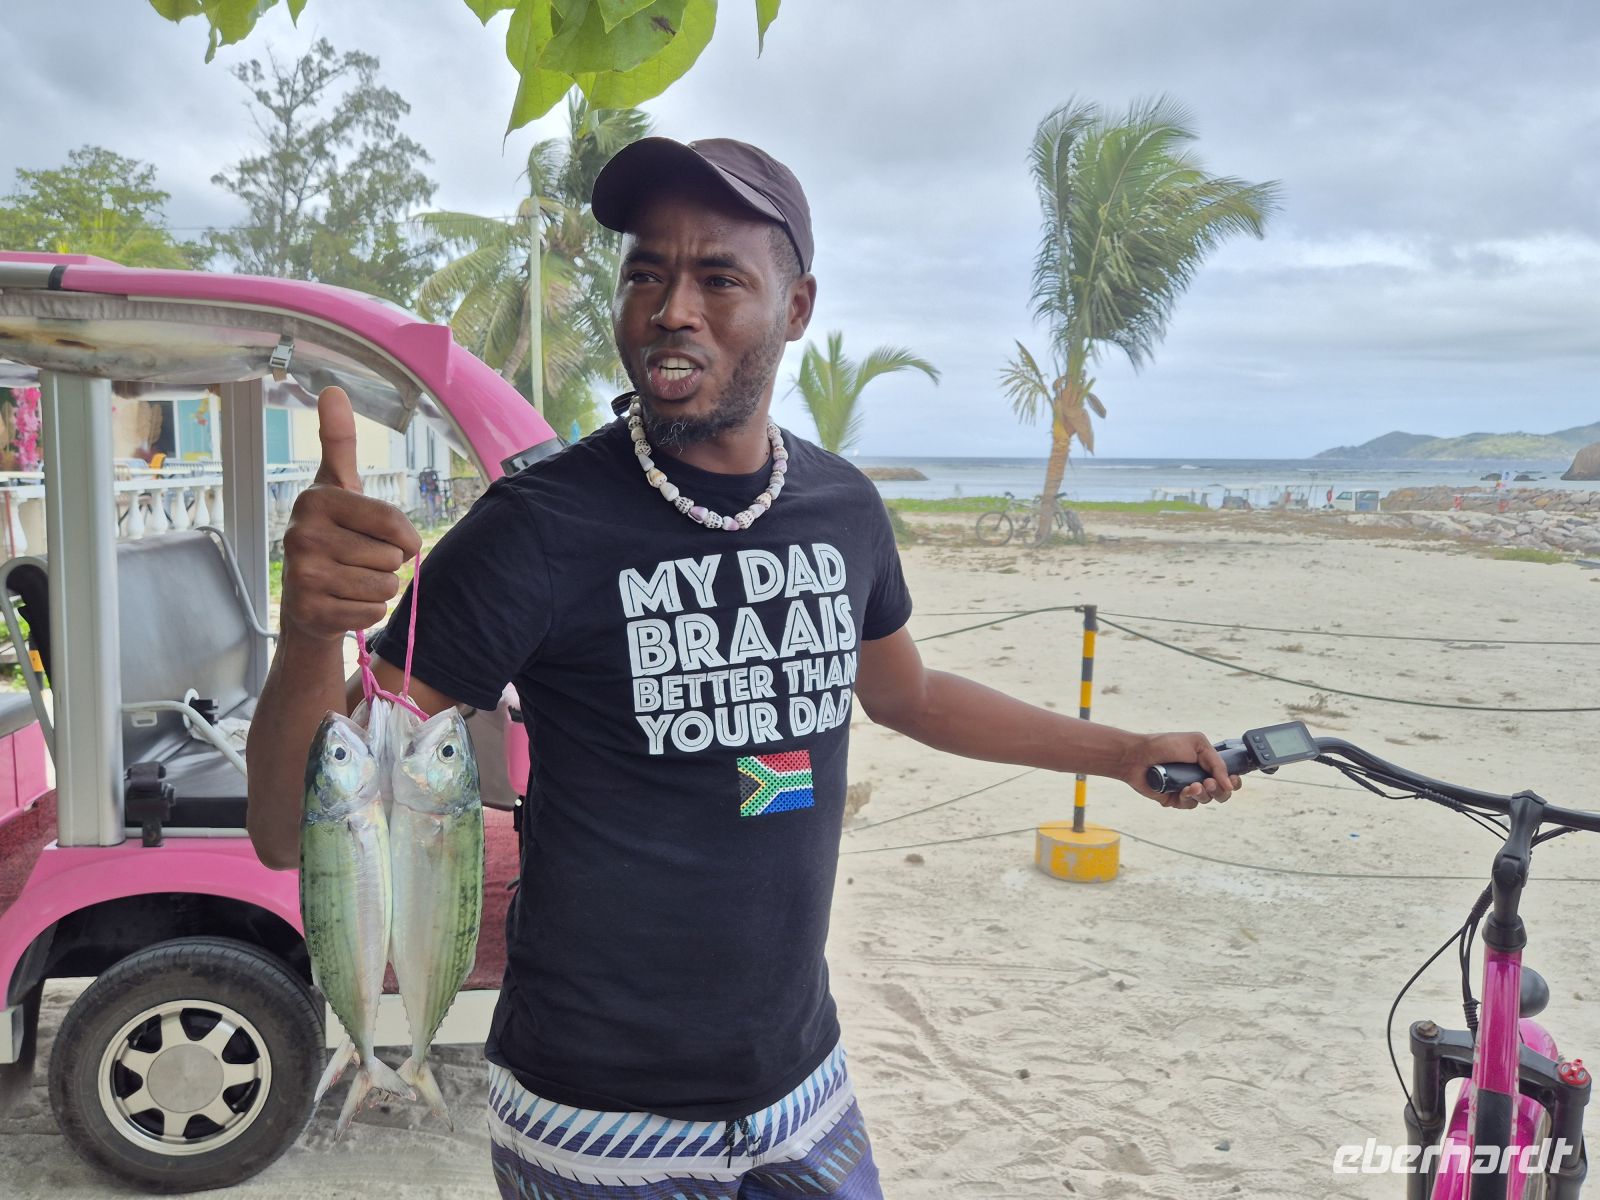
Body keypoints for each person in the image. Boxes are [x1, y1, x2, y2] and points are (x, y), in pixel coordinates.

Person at [246, 137, 1240, 1200]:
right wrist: (307, 631)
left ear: (796, 307)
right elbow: (289, 825)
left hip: (802, 1085)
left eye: (719, 279)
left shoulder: (842, 508)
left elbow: (909, 695)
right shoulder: (534, 530)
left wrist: (1120, 751)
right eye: (645, 275)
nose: (673, 308)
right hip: (594, 1116)